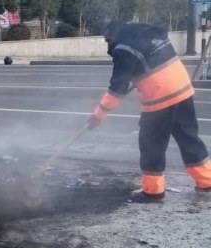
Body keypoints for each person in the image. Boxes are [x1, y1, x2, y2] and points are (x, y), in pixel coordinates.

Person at [88, 20, 211, 203]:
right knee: (189, 138)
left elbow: (117, 88)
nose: (108, 44)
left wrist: (99, 114)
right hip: (183, 89)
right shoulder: (148, 33)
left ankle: (153, 192)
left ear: (114, 34)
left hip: (160, 96)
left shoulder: (123, 48)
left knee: (151, 144)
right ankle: (206, 181)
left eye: (107, 39)